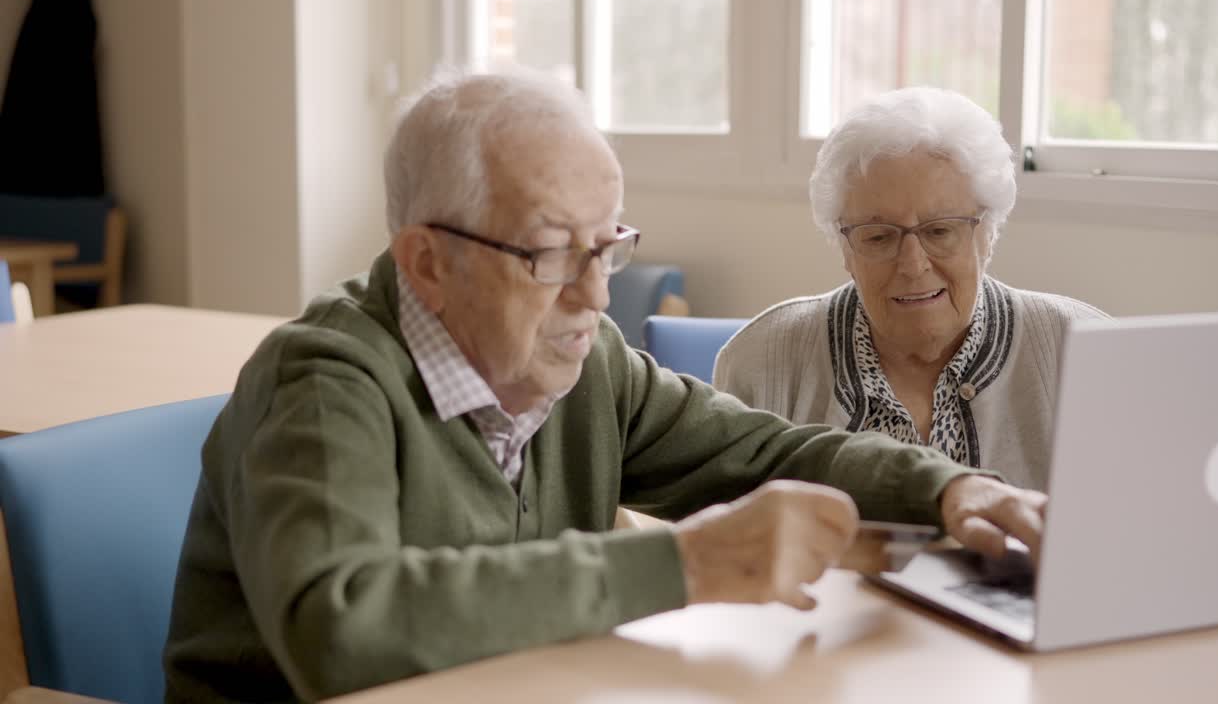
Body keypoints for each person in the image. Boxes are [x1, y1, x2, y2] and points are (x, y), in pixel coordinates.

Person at [163, 72, 1048, 702]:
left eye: (607, 246)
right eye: (551, 254)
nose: (594, 295)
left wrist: (949, 486)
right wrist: (687, 564)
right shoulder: (323, 384)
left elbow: (764, 451)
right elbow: (339, 630)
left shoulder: (585, 360)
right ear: (427, 263)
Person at [714, 87, 1107, 492]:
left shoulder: (1084, 349)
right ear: (845, 248)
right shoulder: (761, 364)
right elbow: (723, 540)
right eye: (879, 237)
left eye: (939, 231)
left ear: (988, 235)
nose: (913, 264)